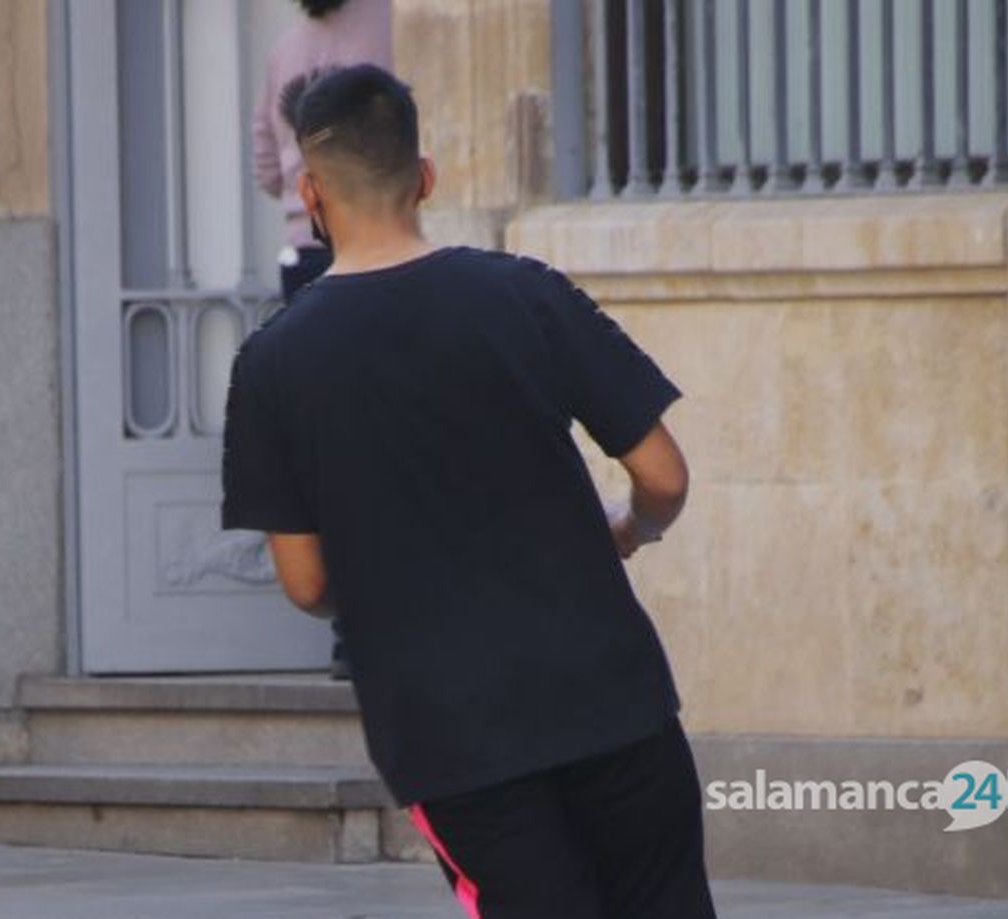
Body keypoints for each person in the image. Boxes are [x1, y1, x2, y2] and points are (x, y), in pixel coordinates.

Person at [221, 64, 716, 919]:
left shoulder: (273, 364)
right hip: (612, 694)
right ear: (425, 176)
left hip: (453, 732)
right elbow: (663, 475)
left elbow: (305, 583)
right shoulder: (524, 293)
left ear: (309, 193)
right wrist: (632, 526)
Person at [252, 0, 392, 680]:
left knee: (327, 446)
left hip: (308, 262)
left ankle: (350, 627)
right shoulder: (390, 25)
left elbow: (264, 165)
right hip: (370, 250)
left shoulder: (286, 47)